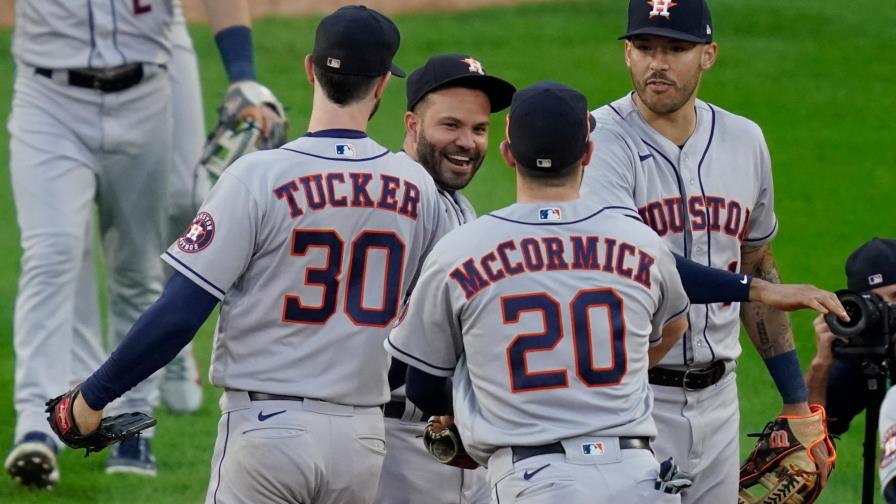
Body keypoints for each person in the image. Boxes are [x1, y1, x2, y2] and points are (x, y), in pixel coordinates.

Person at [46, 5, 449, 503]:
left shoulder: (257, 176)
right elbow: (428, 329)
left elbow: (179, 314)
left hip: (268, 432)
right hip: (361, 440)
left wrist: (90, 398)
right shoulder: (417, 188)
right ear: (382, 84)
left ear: (310, 70)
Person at [4, 0, 280, 488]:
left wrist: (242, 73)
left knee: (136, 265)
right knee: (52, 252)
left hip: (146, 98)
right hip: (49, 100)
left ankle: (132, 426)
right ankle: (35, 427)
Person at [387, 80, 693, 503]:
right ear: (588, 154)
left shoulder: (460, 251)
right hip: (637, 476)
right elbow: (675, 326)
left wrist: (489, 406)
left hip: (535, 478)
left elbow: (423, 386)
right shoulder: (642, 243)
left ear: (508, 154)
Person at [580, 1, 833, 501]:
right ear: (628, 54)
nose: (658, 63)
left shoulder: (745, 140)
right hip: (631, 400)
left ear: (708, 55)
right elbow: (641, 264)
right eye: (644, 47)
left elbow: (757, 261)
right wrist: (753, 287)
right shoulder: (595, 141)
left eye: (676, 49)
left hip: (720, 402)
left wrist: (795, 402)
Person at [375, 53, 515, 504]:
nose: (467, 143)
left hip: (442, 434)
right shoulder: (406, 200)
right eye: (450, 125)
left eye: (479, 129)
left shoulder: (451, 201)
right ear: (412, 124)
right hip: (399, 440)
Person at [801, 238, 896, 501]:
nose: (886, 312)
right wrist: (821, 364)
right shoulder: (865, 357)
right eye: (874, 302)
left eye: (895, 298)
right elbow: (805, 454)